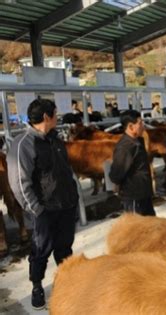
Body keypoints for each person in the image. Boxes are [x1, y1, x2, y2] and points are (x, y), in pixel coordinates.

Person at [7, 99, 79, 310]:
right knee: (41, 251)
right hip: (45, 210)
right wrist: (36, 210)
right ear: (47, 117)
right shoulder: (23, 144)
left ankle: (67, 282)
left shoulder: (56, 139)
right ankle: (37, 286)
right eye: (55, 114)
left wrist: (74, 196)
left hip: (65, 205)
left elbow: (66, 170)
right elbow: (19, 183)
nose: (58, 118)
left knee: (65, 247)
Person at [109, 110, 155, 217]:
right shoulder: (126, 147)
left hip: (143, 192)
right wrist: (117, 183)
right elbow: (117, 173)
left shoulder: (137, 141)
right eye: (140, 123)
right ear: (130, 126)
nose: (143, 126)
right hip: (134, 194)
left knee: (150, 226)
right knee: (137, 228)